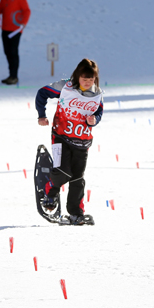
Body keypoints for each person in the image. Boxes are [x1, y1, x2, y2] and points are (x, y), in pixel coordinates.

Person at [35, 59, 103, 225]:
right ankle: (50, 192)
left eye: (91, 80)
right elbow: (42, 93)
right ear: (77, 76)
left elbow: (99, 111)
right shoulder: (65, 87)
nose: (87, 83)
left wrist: (94, 120)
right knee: (63, 171)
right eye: (84, 79)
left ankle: (76, 212)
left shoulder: (97, 94)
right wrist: (41, 115)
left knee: (77, 179)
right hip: (61, 136)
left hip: (82, 141)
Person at [0, 0, 30, 85]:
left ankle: (14, 76)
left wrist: (24, 23)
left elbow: (27, 10)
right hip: (5, 29)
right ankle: (11, 75)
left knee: (13, 52)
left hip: (15, 30)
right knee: (7, 52)